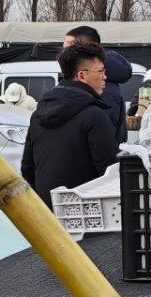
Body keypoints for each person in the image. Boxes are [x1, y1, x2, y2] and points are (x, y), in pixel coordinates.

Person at [21, 41, 118, 206]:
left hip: (46, 215)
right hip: (87, 215)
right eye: (101, 71)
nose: (105, 77)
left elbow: (27, 170)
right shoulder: (94, 116)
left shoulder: (38, 114)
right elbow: (110, 174)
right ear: (81, 75)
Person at [64, 26, 132, 145]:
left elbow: (102, 140)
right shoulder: (90, 84)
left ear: (84, 49)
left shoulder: (103, 90)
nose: (63, 54)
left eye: (67, 49)